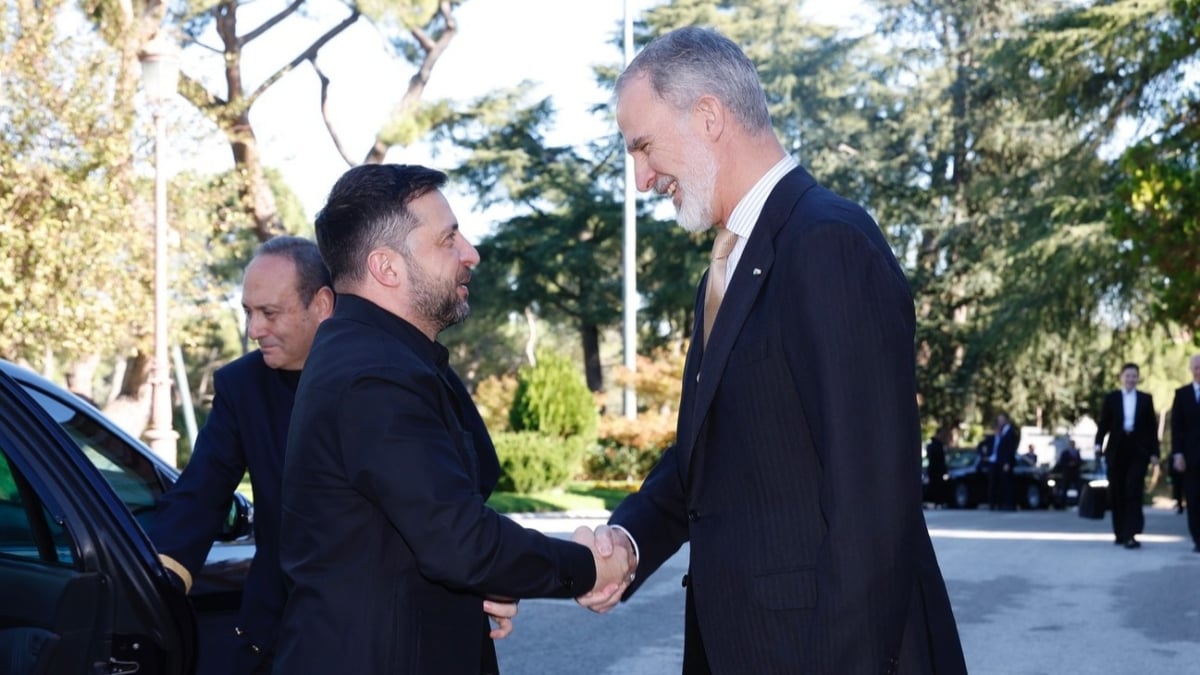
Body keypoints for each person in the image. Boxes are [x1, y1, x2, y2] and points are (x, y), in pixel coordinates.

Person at [577, 26, 966, 674]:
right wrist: (628, 539)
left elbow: (872, 504)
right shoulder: (729, 266)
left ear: (708, 116)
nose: (642, 178)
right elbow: (710, 457)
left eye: (643, 147)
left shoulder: (827, 243)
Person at [272, 164, 633, 674]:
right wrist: (588, 567)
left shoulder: (386, 355)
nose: (471, 253)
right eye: (448, 240)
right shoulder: (372, 375)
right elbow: (457, 540)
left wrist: (488, 583)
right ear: (387, 267)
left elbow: (408, 534)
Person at [148, 236, 334, 674]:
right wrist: (154, 580)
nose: (254, 330)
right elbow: (201, 493)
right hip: (280, 628)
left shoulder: (381, 374)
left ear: (322, 305)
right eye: (249, 312)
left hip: (378, 626)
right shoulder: (241, 386)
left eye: (269, 313)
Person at [1094, 362, 1159, 549]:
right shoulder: (1112, 398)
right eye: (1127, 375)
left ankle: (1131, 534)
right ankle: (1120, 532)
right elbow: (1103, 423)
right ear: (1121, 377)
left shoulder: (1146, 399)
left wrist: (1154, 453)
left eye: (1134, 376)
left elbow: (1151, 429)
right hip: (1117, 449)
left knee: (1133, 490)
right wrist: (1098, 444)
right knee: (1117, 491)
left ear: (1138, 378)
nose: (1131, 379)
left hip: (1138, 449)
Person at [1169, 354, 1200, 552]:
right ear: (1191, 370)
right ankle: (1198, 538)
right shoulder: (1182, 394)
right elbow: (1176, 427)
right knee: (1194, 498)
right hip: (1189, 457)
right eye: (1196, 367)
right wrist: (1177, 454)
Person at [986, 413, 1020, 511]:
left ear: (1006, 420)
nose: (999, 422)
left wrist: (1007, 462)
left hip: (1006, 462)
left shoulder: (1010, 432)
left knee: (1008, 484)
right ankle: (1004, 503)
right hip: (1000, 462)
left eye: (1001, 420)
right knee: (1003, 484)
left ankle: (1010, 504)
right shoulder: (1003, 432)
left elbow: (1010, 449)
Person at [926, 425, 951, 506]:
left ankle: (938, 502)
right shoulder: (934, 446)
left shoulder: (939, 445)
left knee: (939, 487)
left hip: (937, 470)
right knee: (936, 487)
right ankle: (937, 502)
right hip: (935, 470)